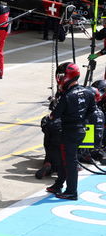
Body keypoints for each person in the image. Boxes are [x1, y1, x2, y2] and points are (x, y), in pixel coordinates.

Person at [46, 62, 96, 200]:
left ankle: (71, 191)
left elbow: (53, 116)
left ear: (68, 77)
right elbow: (92, 111)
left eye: (62, 76)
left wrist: (52, 112)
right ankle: (58, 185)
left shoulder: (67, 96)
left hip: (69, 133)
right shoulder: (88, 92)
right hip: (81, 131)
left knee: (69, 162)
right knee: (65, 159)